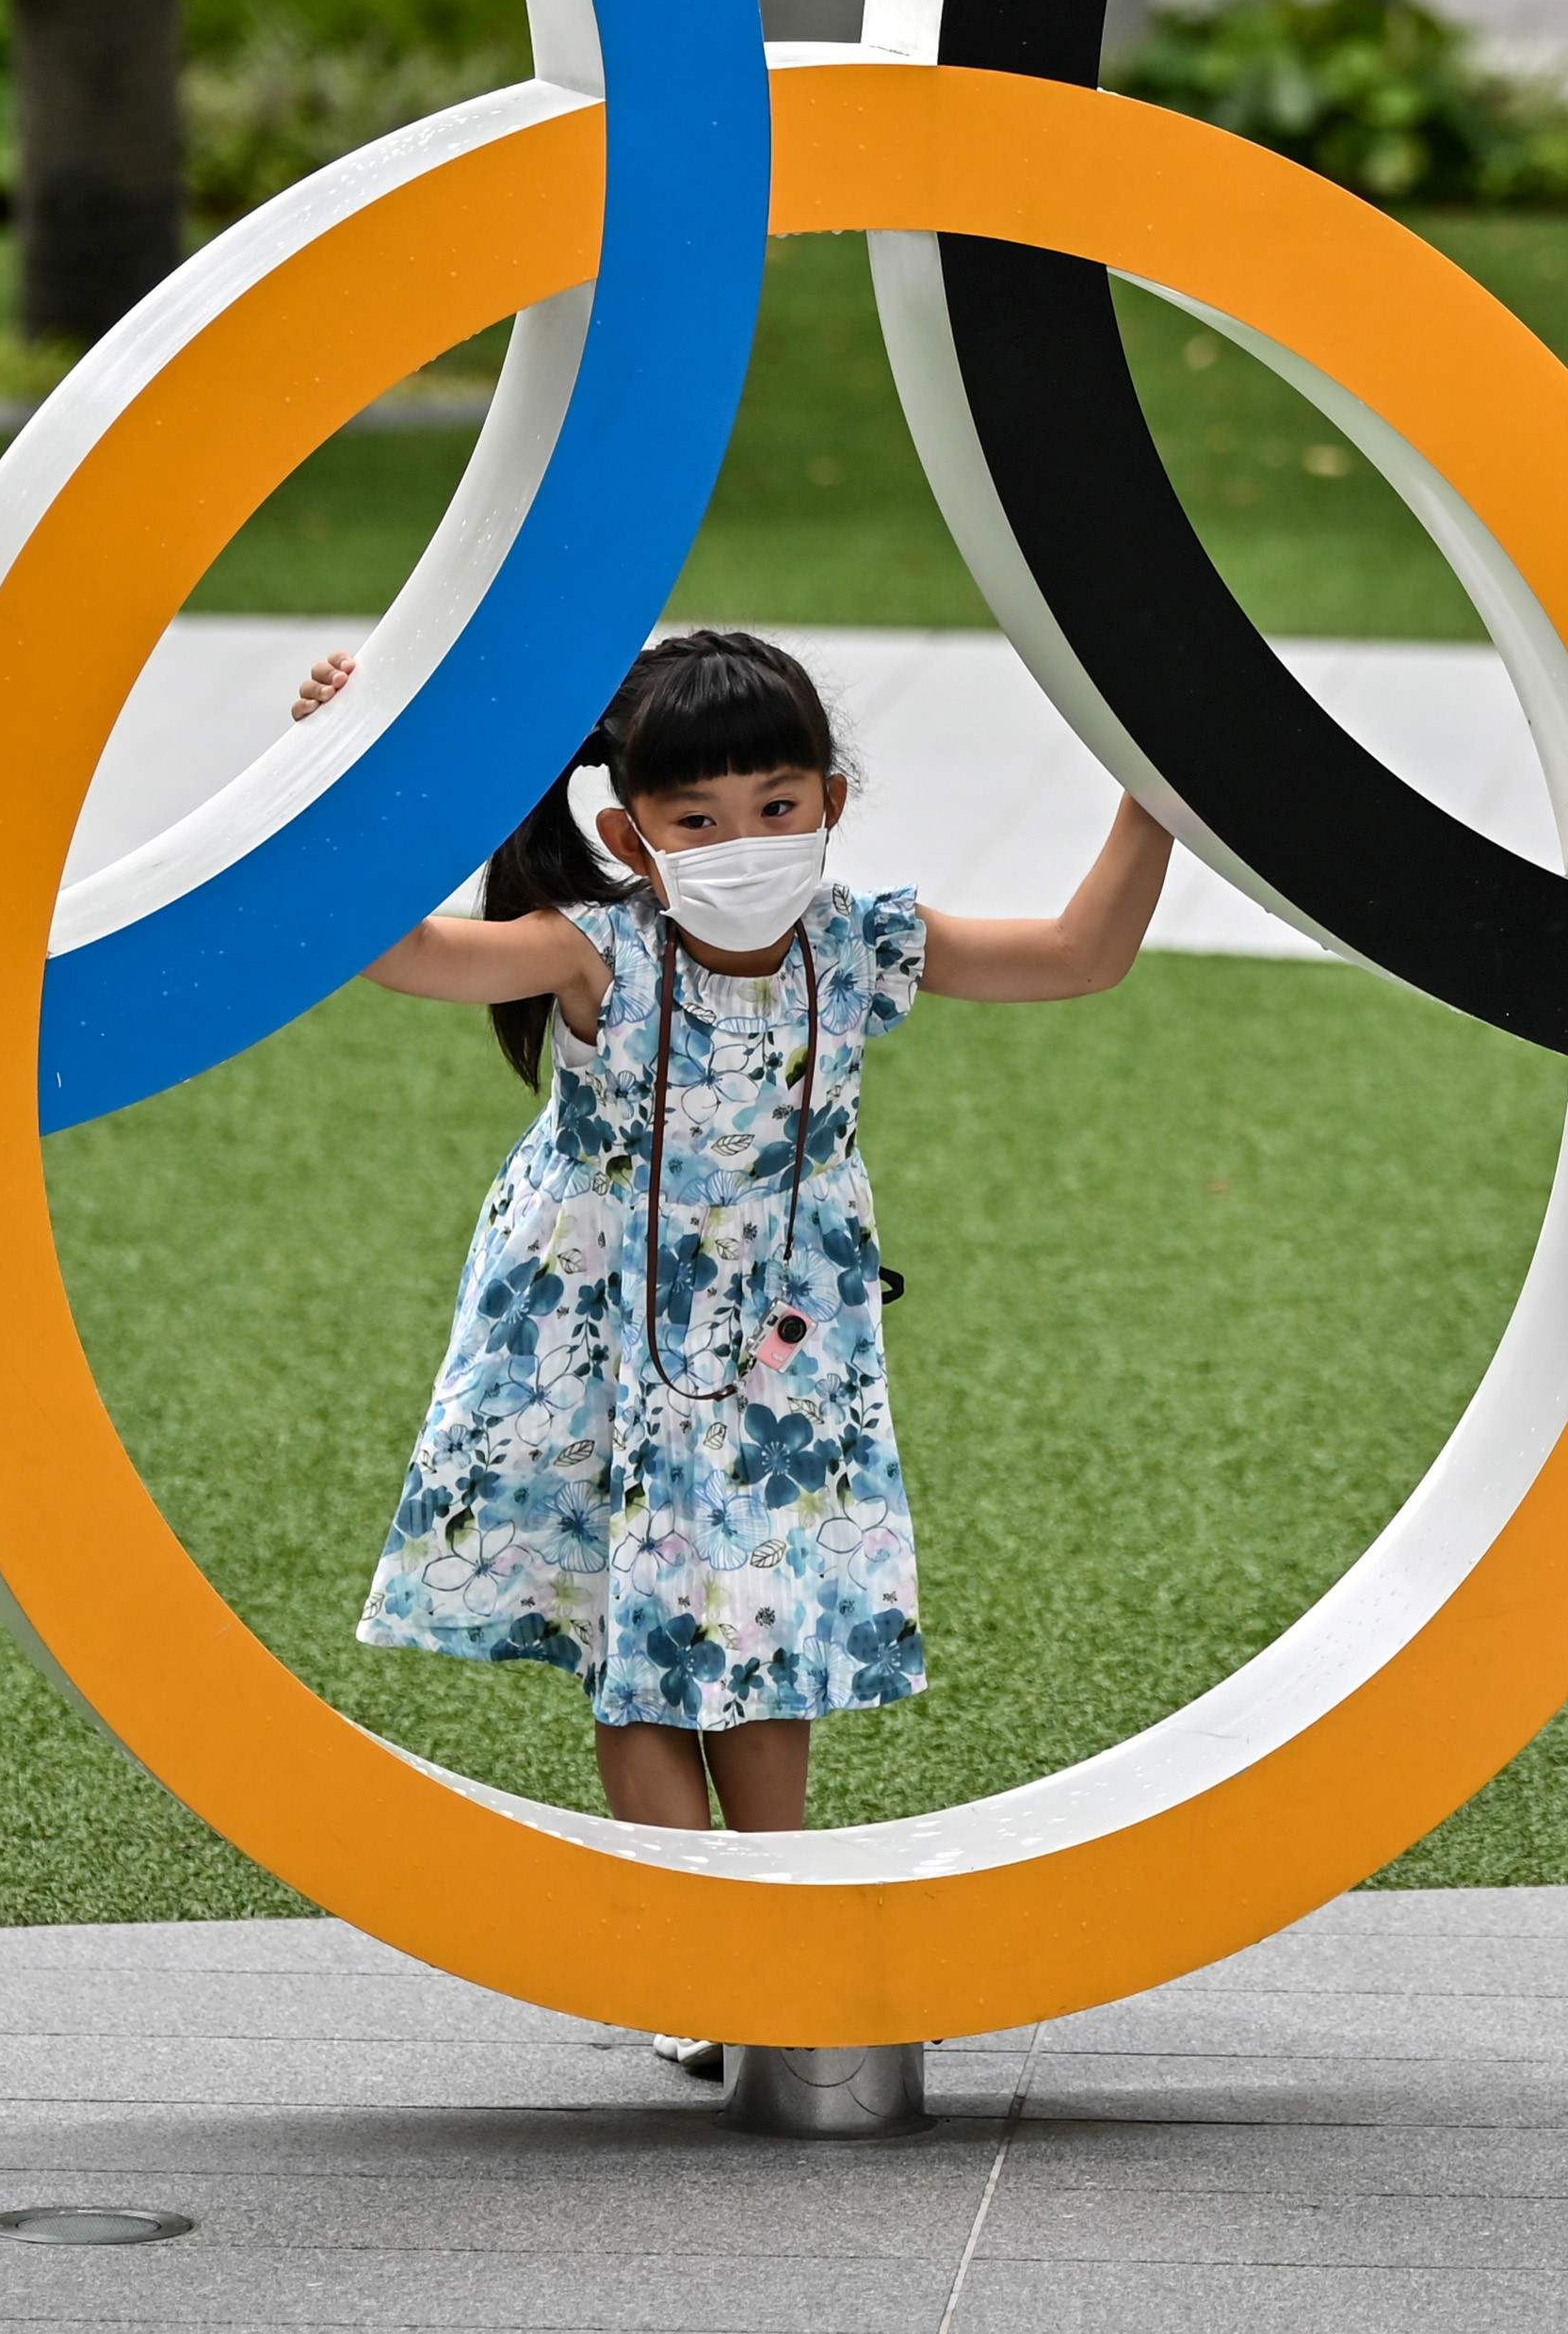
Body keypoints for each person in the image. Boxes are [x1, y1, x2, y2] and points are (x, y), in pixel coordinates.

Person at [295, 628, 1174, 2068]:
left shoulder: (862, 941)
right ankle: (696, 1958)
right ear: (629, 836)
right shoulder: (597, 951)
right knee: (636, 1638)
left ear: (831, 798)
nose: (747, 841)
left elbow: (1083, 954)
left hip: (783, 1354)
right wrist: (357, 765)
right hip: (595, 1331)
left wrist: (1156, 796)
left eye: (777, 804)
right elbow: (401, 949)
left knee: (769, 1627)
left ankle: (782, 1920)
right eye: (699, 819)